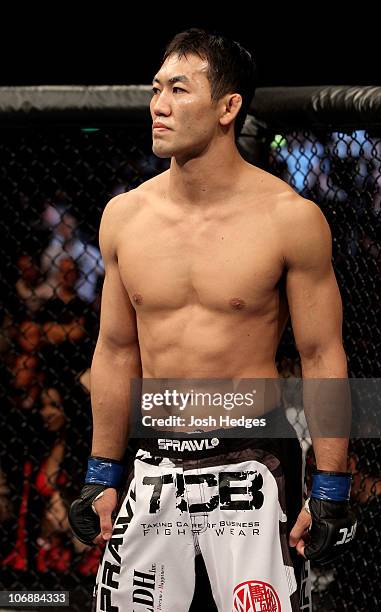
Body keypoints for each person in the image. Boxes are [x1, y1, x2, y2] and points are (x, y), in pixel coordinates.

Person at [69, 29, 356, 612]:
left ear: (229, 107)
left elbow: (323, 354)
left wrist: (330, 485)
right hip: (154, 456)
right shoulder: (124, 217)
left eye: (179, 89)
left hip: (253, 459)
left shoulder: (289, 219)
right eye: (155, 89)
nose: (159, 105)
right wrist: (101, 470)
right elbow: (116, 349)